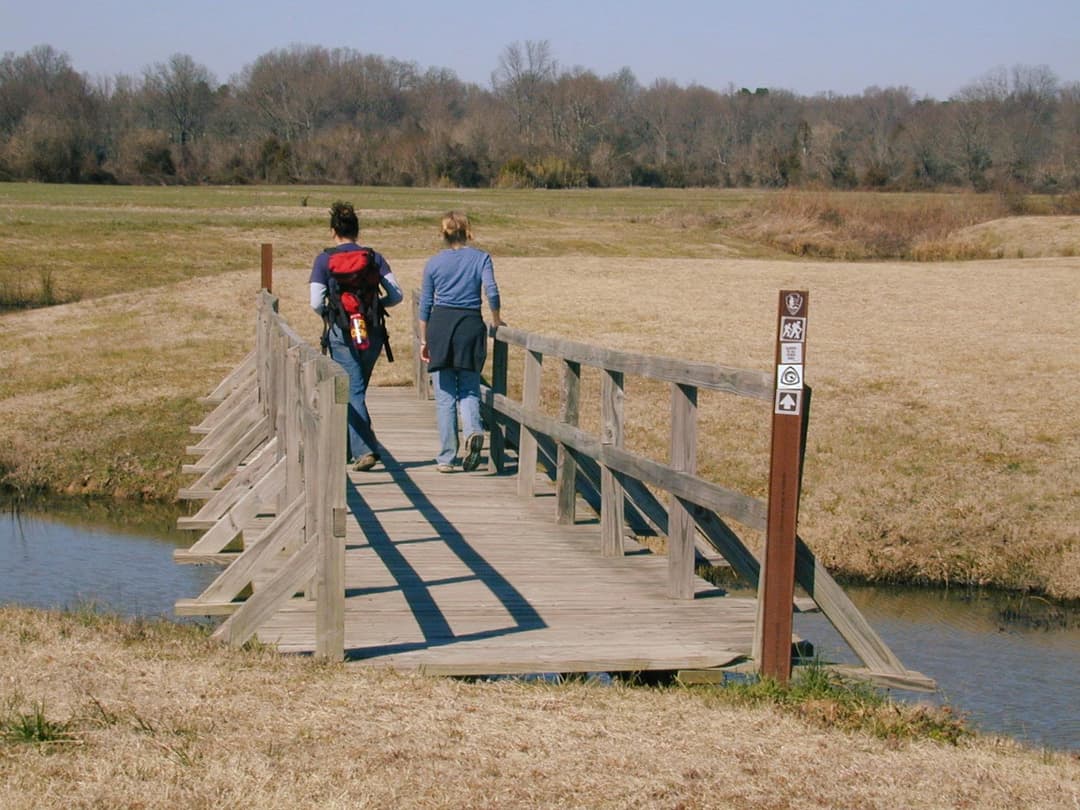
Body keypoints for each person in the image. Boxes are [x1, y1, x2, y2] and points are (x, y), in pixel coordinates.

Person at [309, 201, 403, 471]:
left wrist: (332, 312)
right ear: (357, 230)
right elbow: (397, 294)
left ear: (333, 231)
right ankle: (352, 449)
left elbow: (315, 302)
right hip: (372, 330)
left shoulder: (324, 259)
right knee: (356, 388)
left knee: (353, 390)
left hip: (342, 331)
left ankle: (365, 450)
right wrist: (374, 306)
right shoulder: (373, 257)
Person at [418, 211, 503, 473]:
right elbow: (491, 290)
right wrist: (496, 319)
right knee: (469, 388)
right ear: (467, 232)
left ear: (443, 234)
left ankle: (447, 458)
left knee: (444, 396)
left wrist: (424, 339)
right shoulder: (481, 258)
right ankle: (473, 430)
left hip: (441, 326)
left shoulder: (433, 263)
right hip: (470, 325)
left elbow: (425, 304)